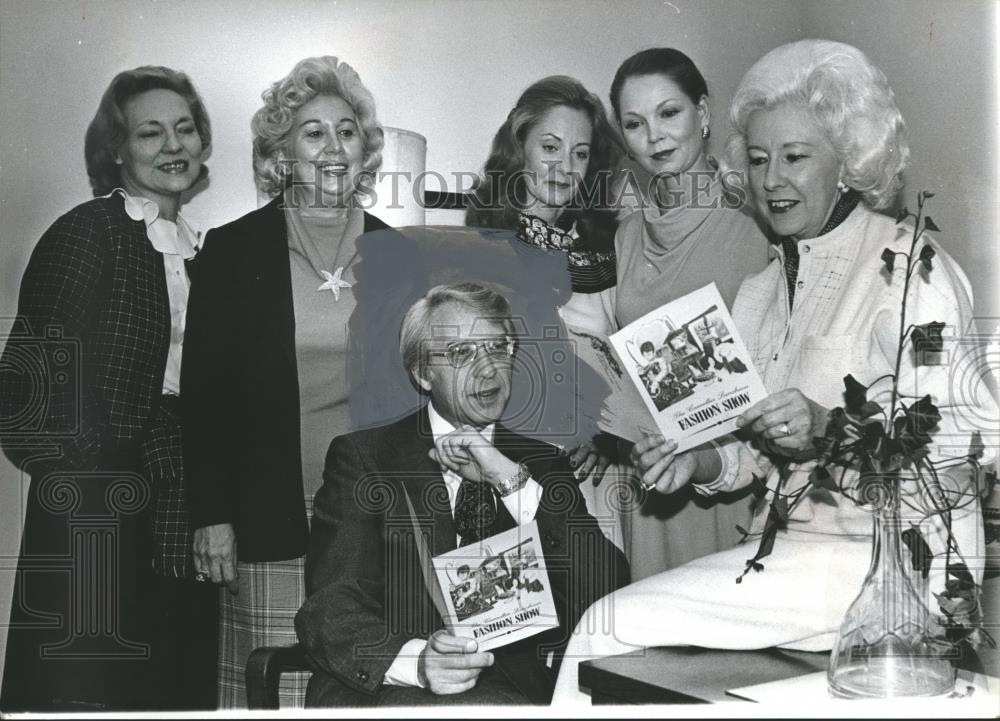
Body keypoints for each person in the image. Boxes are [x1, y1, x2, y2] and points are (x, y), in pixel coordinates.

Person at [551, 39, 995, 705]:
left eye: (795, 157)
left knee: (603, 627)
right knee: (621, 633)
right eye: (758, 160)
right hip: (786, 556)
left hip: (896, 563)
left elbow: (969, 445)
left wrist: (825, 428)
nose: (771, 179)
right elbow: (746, 454)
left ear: (848, 161)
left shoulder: (911, 268)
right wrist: (693, 463)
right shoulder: (761, 289)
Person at [296, 282, 629, 706]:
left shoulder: (541, 463)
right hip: (393, 685)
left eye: (497, 347)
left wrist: (512, 482)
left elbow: (606, 588)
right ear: (421, 373)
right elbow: (331, 605)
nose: (487, 370)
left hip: (511, 688)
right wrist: (417, 662)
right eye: (461, 353)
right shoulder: (367, 459)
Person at [0, 66, 217, 711]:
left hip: (177, 506)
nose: (172, 146)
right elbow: (22, 392)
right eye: (150, 133)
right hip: (95, 513)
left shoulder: (206, 252)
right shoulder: (86, 234)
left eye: (184, 129)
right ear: (116, 149)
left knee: (167, 687)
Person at [180, 55, 389, 708]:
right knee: (273, 690)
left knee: (356, 691)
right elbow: (205, 398)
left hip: (370, 527)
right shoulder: (232, 252)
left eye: (347, 130)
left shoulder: (400, 253)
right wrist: (211, 514)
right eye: (313, 132)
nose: (334, 147)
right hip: (269, 520)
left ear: (366, 149)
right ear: (282, 154)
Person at [609, 47, 773, 579]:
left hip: (736, 473)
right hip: (652, 474)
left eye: (669, 113)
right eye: (635, 124)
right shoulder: (626, 234)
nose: (653, 136)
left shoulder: (758, 219)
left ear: (703, 114)